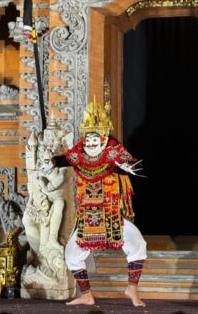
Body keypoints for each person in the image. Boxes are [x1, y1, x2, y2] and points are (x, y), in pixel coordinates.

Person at [42, 99, 147, 307]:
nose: (90, 144)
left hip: (111, 213)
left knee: (138, 245)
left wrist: (125, 166)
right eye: (88, 140)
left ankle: (132, 289)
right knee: (72, 255)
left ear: (104, 137)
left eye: (94, 141)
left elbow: (134, 164)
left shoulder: (113, 150)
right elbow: (67, 158)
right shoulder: (80, 151)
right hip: (88, 216)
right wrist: (52, 162)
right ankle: (86, 295)